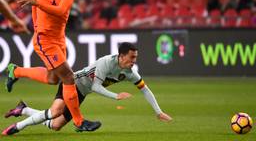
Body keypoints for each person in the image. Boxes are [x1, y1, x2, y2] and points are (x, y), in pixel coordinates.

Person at [6, 0, 100, 132]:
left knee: (52, 79)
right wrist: (38, 30)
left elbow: (61, 11)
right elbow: (35, 13)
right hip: (45, 39)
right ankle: (79, 122)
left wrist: (37, 3)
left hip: (59, 39)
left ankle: (16, 70)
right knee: (68, 77)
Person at [2, 42, 172, 136]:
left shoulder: (129, 73)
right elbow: (96, 87)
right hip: (72, 84)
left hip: (81, 94)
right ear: (121, 56)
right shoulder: (106, 62)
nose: (134, 61)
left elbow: (145, 89)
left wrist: (158, 111)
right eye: (131, 57)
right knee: (55, 111)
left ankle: (23, 110)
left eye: (135, 57)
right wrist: (116, 96)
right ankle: (18, 127)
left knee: (56, 125)